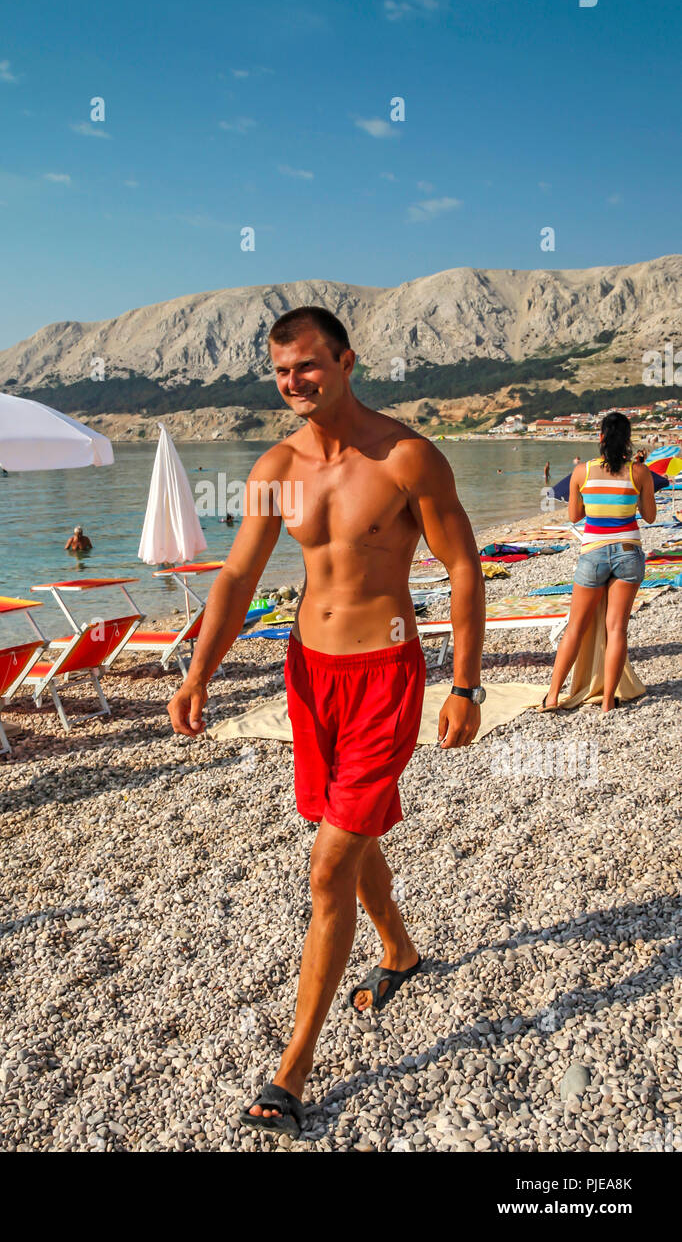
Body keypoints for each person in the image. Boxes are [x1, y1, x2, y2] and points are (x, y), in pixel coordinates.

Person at [166, 306, 486, 1139]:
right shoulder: (277, 466)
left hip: (385, 675)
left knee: (326, 863)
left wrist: (467, 686)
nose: (294, 383)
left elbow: (462, 567)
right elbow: (239, 574)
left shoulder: (407, 456)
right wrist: (199, 672)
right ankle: (401, 954)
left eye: (307, 366)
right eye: (281, 372)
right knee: (350, 834)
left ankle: (293, 1070)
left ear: (346, 360)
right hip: (309, 678)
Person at [540, 413, 656, 715]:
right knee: (616, 627)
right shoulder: (639, 472)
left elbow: (575, 517)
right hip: (629, 551)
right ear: (627, 440)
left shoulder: (583, 471)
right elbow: (650, 516)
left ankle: (553, 696)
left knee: (575, 626)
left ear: (601, 437)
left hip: (594, 552)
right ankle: (607, 701)